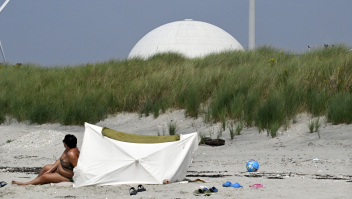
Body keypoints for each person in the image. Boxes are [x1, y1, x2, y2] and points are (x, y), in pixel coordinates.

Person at [12, 134, 80, 185]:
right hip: (61, 171)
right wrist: (50, 170)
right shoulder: (68, 149)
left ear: (66, 144)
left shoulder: (71, 154)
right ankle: (35, 181)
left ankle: (25, 184)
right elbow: (60, 160)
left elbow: (78, 169)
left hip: (67, 177)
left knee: (45, 176)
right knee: (46, 167)